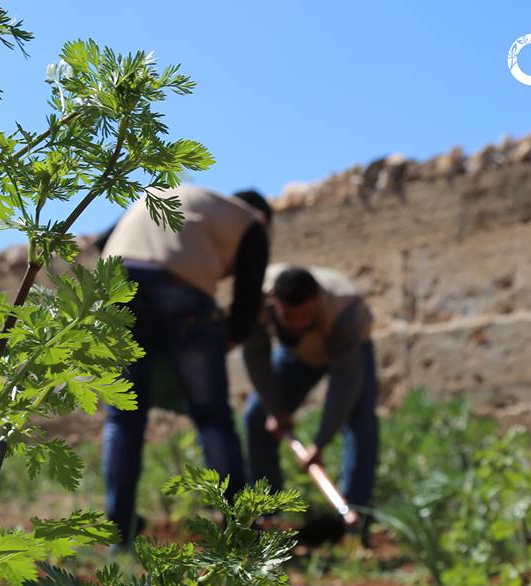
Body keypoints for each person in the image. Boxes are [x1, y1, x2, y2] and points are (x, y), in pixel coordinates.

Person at [100, 184, 272, 546]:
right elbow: (248, 298)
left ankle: (120, 530)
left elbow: (105, 240)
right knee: (211, 416)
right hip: (182, 293)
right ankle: (240, 528)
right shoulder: (252, 224)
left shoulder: (184, 197)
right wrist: (228, 337)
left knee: (123, 417)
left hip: (116, 283)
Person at [242, 264, 379, 538]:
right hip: (299, 355)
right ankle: (268, 516)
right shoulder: (256, 300)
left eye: (304, 315)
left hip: (351, 349)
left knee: (360, 421)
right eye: (288, 316)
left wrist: (320, 443)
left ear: (315, 301)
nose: (297, 323)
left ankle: (354, 519)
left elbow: (345, 385)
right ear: (274, 303)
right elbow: (256, 356)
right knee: (256, 419)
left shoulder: (345, 309)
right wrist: (276, 408)